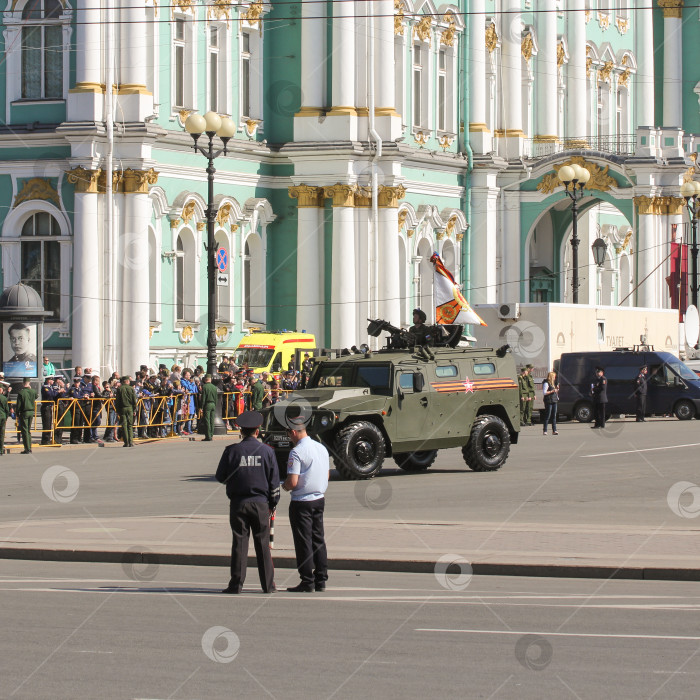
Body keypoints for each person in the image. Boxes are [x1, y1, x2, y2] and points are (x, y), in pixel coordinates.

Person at [215, 411, 279, 594]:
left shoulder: (232, 451)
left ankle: (236, 584)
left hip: (238, 503)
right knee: (263, 545)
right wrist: (273, 502)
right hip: (260, 503)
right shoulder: (267, 451)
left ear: (241, 431)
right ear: (257, 431)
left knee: (239, 544)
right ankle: (268, 585)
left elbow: (220, 476)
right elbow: (274, 481)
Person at [283, 416, 329, 592]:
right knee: (318, 539)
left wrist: (284, 486)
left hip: (302, 502)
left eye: (289, 434)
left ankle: (307, 580)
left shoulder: (296, 452)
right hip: (319, 499)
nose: (289, 437)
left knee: (303, 541)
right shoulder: (321, 448)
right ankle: (321, 579)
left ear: (293, 432)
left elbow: (292, 481)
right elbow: (327, 476)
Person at [15, 378, 37, 454]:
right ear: (29, 383)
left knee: (24, 430)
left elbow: (19, 405)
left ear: (23, 383)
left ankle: (27, 448)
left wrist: (17, 413)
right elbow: (36, 396)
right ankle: (29, 447)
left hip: (24, 412)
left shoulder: (21, 393)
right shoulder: (33, 391)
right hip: (31, 412)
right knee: (28, 430)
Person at [115, 375, 137, 447]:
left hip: (122, 408)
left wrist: (117, 410)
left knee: (124, 425)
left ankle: (126, 442)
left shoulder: (119, 389)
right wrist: (134, 409)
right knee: (130, 425)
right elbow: (134, 400)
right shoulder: (131, 389)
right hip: (130, 408)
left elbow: (117, 401)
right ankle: (131, 441)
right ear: (127, 381)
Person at [40, 376, 57, 445]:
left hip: (50, 407)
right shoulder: (45, 387)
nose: (53, 381)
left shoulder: (50, 387)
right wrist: (58, 391)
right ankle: (45, 440)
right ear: (48, 380)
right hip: (46, 407)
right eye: (51, 380)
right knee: (46, 424)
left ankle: (47, 439)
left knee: (49, 424)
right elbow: (50, 395)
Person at [201, 374, 218, 441]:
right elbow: (216, 398)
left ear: (205, 379)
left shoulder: (205, 387)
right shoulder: (214, 387)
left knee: (207, 420)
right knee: (212, 420)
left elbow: (203, 398)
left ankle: (208, 436)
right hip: (213, 404)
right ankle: (211, 434)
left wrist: (201, 406)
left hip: (207, 404)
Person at [542, 371, 559, 436]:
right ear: (551, 377)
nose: (555, 378)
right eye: (554, 377)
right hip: (548, 400)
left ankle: (554, 430)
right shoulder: (546, 383)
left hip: (554, 400)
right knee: (548, 415)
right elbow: (544, 392)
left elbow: (555, 392)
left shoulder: (553, 384)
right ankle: (545, 430)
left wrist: (556, 390)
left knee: (554, 416)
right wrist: (552, 391)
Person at [0, 385, 10, 454]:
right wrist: (6, 417)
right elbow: (7, 410)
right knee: (2, 434)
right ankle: (0, 450)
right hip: (2, 417)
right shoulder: (4, 398)